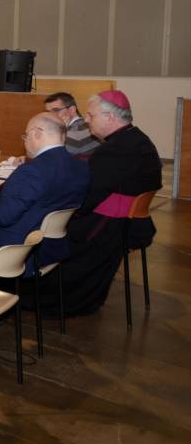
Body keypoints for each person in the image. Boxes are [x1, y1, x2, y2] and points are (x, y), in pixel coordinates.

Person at [55, 91, 162, 316]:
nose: (86, 119)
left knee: (48, 232)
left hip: (111, 228)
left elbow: (88, 196)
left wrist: (62, 209)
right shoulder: (135, 139)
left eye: (91, 115)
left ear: (110, 117)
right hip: (129, 222)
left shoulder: (116, 149)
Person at [0, 113, 90, 269]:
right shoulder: (81, 168)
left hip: (13, 249)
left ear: (37, 133)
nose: (25, 141)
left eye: (25, 135)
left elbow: (3, 216)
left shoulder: (32, 171)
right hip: (50, 246)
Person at [44, 92, 99, 158]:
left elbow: (52, 158)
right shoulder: (84, 124)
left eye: (56, 110)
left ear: (72, 110)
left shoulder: (75, 132)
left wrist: (62, 131)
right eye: (48, 112)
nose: (50, 115)